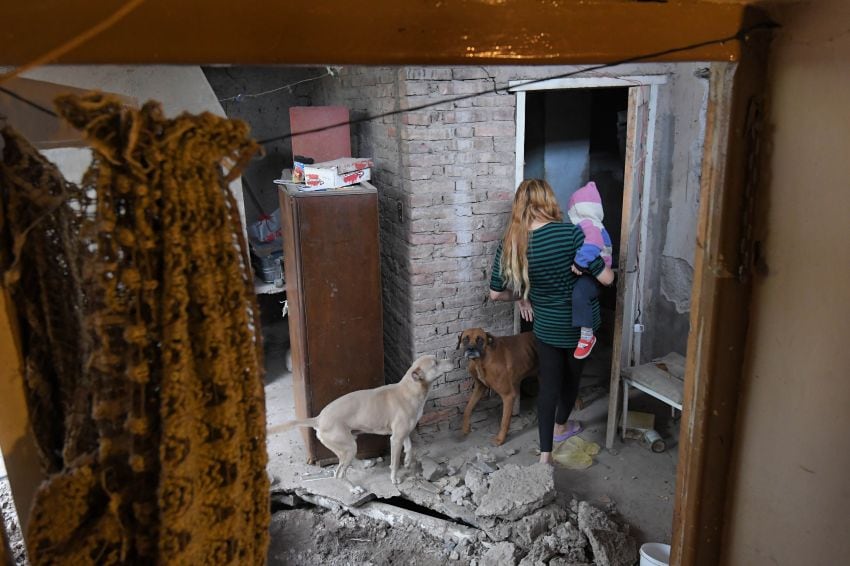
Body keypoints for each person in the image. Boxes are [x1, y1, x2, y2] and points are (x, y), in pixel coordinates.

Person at [488, 179, 613, 465]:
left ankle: (545, 457)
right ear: (549, 201)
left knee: (549, 386)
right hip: (580, 329)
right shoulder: (572, 235)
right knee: (571, 381)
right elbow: (607, 279)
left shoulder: (511, 243)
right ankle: (561, 427)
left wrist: (522, 295)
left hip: (545, 327)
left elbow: (495, 294)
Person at [566, 181, 613, 360]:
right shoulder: (596, 224)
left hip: (595, 274)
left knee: (579, 294)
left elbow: (593, 245)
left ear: (577, 209)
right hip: (595, 273)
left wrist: (579, 263)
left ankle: (587, 336)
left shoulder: (588, 224)